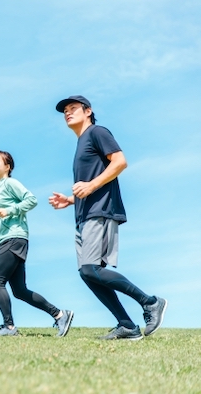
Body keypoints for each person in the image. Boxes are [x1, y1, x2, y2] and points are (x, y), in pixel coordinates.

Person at [49, 95, 167, 340]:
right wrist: (70, 200)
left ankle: (151, 302)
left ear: (88, 111)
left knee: (92, 269)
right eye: (65, 111)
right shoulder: (81, 143)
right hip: (83, 215)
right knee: (87, 272)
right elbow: (92, 179)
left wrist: (90, 187)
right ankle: (126, 324)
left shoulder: (97, 132)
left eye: (73, 108)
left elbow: (120, 162)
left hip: (100, 211)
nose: (68, 113)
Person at [0, 150, 74, 337]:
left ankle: (9, 327)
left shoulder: (10, 183)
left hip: (14, 238)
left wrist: (10, 210)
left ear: (7, 166)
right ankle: (60, 315)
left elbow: (31, 200)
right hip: (7, 240)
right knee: (19, 290)